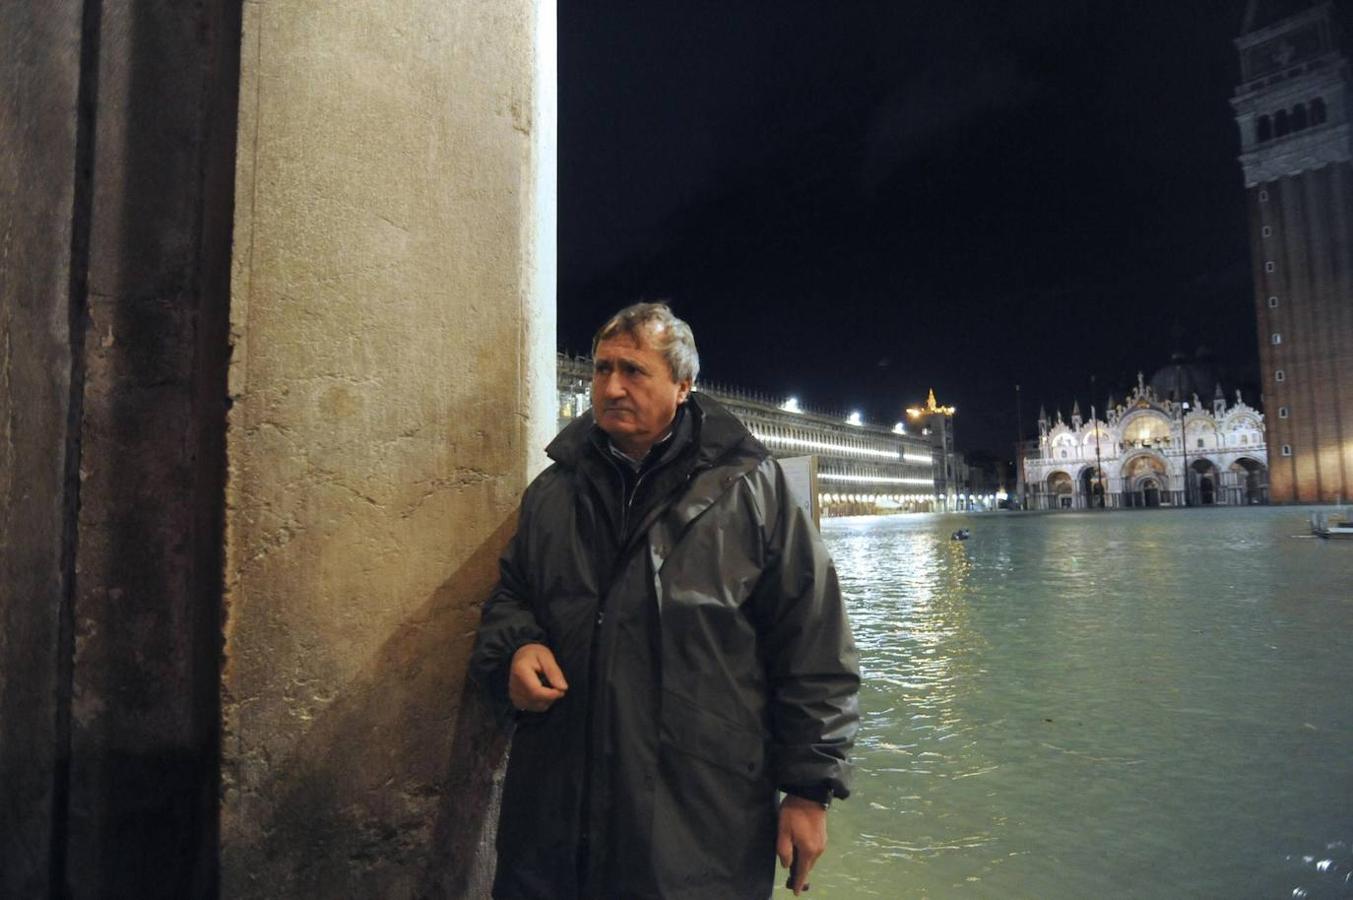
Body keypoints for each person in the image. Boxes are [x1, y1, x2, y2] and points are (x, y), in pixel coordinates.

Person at [470, 302, 860, 899]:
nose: (612, 387)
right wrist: (516, 647)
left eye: (634, 371)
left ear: (683, 386)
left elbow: (814, 644)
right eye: (602, 370)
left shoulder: (753, 493)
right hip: (555, 822)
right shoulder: (553, 491)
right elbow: (512, 594)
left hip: (696, 825)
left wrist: (809, 790)